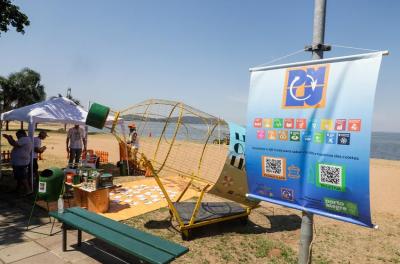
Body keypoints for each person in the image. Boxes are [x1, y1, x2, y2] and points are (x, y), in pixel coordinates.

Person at [3, 129, 33, 195]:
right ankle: (18, 189)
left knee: (22, 177)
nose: (17, 137)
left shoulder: (24, 139)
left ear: (22, 134)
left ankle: (28, 190)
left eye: (18, 135)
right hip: (20, 161)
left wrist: (8, 138)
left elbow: (14, 144)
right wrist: (11, 138)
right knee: (19, 177)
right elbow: (15, 143)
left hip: (21, 162)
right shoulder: (25, 139)